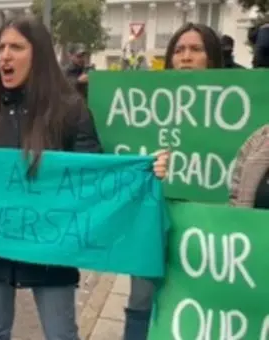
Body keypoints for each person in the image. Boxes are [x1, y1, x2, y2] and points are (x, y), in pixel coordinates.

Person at [0, 16, 169, 340]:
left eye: (17, 47)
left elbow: (93, 178)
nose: (6, 55)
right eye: (2, 47)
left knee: (61, 334)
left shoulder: (70, 110)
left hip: (52, 255)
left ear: (38, 54)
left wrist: (145, 172)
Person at [122, 22, 222, 340]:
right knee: (141, 300)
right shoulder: (151, 105)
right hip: (154, 221)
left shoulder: (232, 105)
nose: (186, 57)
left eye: (195, 49)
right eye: (178, 50)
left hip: (207, 224)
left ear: (212, 59)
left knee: (196, 302)